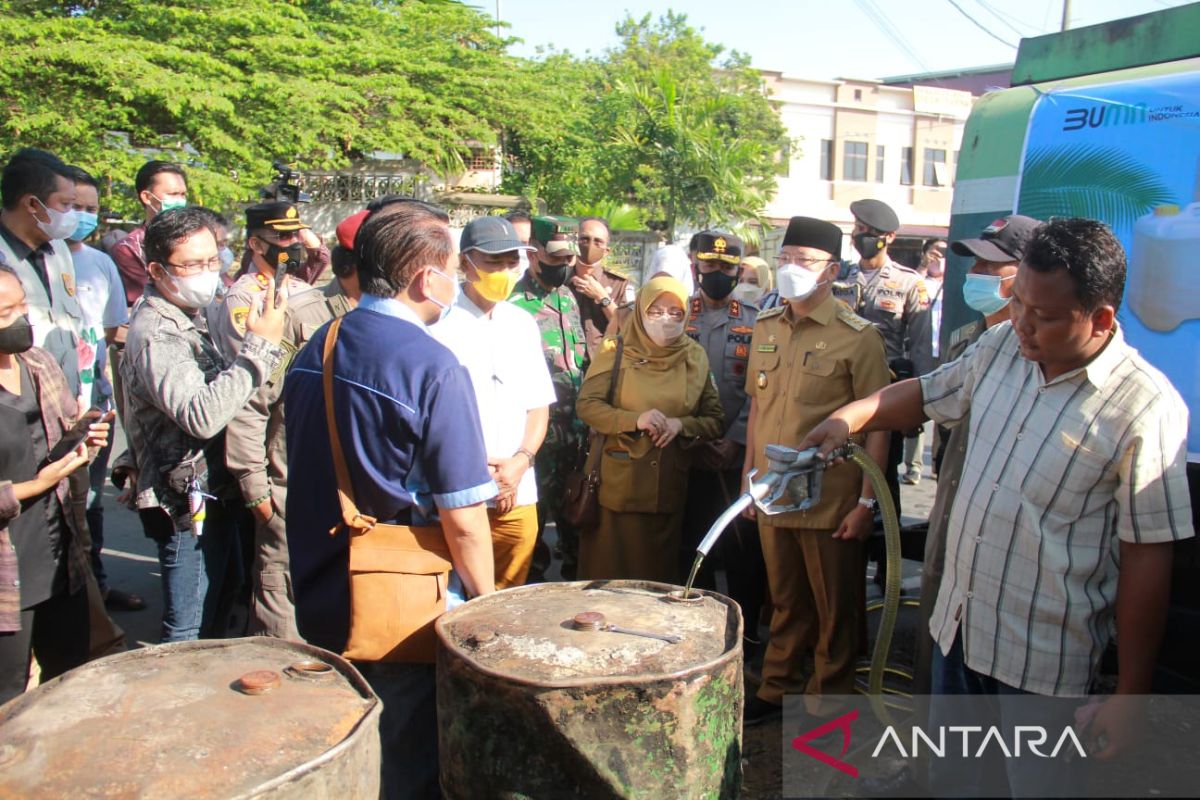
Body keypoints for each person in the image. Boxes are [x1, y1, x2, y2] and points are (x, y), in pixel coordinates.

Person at [801, 217, 1192, 796]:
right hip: (959, 630)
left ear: (1102, 319)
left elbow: (1147, 560)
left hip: (1042, 665)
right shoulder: (1002, 345)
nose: (1023, 325)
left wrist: (1130, 696)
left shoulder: (1144, 407)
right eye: (1020, 303)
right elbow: (931, 393)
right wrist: (851, 417)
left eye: (1045, 315)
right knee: (956, 781)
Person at [284, 199, 496, 799]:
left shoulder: (318, 346)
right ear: (426, 278)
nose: (458, 281)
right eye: (455, 268)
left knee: (343, 747)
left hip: (324, 586)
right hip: (404, 610)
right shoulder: (433, 367)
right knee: (405, 761)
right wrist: (486, 604)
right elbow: (465, 521)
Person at [864, 215, 1041, 798]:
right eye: (979, 263)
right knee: (940, 656)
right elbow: (924, 397)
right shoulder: (974, 343)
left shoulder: (1044, 357)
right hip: (952, 510)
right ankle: (928, 773)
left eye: (996, 267)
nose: (981, 276)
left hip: (1007, 536)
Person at [740, 216, 890, 726]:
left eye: (803, 261)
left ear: (830, 270)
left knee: (835, 608)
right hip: (772, 492)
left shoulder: (857, 336)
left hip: (830, 499)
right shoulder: (766, 326)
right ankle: (779, 687)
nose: (790, 269)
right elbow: (758, 410)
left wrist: (867, 502)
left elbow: (879, 424)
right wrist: (748, 476)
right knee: (783, 600)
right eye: (785, 259)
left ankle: (829, 701)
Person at [121, 206, 287, 643]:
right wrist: (260, 349)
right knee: (189, 626)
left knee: (224, 596)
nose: (207, 273)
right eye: (192, 265)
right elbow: (201, 414)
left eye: (213, 261)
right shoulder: (158, 331)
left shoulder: (192, 312)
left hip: (214, 488)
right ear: (157, 269)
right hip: (186, 500)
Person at [212, 202, 348, 639]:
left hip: (302, 459)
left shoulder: (294, 287)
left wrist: (313, 244)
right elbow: (251, 386)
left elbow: (321, 263)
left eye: (296, 236)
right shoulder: (246, 297)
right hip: (269, 450)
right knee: (274, 579)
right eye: (282, 239)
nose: (292, 246)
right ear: (255, 244)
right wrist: (254, 484)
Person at [0, 261, 111, 703]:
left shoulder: (38, 362)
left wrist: (87, 437)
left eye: (21, 306)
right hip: (9, 566)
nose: (20, 321)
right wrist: (35, 484)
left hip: (59, 551)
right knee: (8, 694)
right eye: (4, 312)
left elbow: (65, 428)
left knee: (68, 680)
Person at [432, 216, 555, 589]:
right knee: (454, 601)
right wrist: (474, 469)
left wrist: (520, 462)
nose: (504, 271)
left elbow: (538, 404)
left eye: (511, 262)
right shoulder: (437, 322)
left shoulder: (521, 322)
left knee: (504, 603)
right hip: (459, 493)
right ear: (465, 262)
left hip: (518, 492)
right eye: (492, 262)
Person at [575, 275, 724, 583]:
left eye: (675, 313)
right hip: (616, 489)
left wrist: (680, 425)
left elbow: (715, 419)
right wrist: (635, 420)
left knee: (656, 582)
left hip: (668, 488)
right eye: (656, 311)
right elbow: (587, 406)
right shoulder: (616, 350)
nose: (665, 320)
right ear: (641, 311)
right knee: (608, 581)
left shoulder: (694, 355)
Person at [679, 231, 766, 642]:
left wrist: (735, 438)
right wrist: (694, 439)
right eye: (709, 266)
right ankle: (691, 633)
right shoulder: (676, 315)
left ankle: (743, 637)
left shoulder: (756, 320)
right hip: (688, 455)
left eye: (726, 268)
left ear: (738, 270)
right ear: (695, 265)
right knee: (690, 548)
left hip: (738, 459)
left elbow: (762, 389)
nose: (717, 274)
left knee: (742, 553)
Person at [64, 166, 141, 612]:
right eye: (72, 207)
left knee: (90, 501)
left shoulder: (100, 263)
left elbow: (114, 334)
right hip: (41, 406)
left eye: (90, 209)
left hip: (94, 402)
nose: (81, 216)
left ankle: (94, 593)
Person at [833, 199, 928, 517]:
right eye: (858, 230)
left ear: (889, 237)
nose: (861, 237)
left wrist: (918, 408)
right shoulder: (839, 278)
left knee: (883, 478)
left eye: (870, 232)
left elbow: (920, 347)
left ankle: (887, 558)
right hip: (839, 392)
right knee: (839, 477)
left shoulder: (908, 282)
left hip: (884, 397)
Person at [509, 215, 589, 581]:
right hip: (537, 443)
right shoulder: (514, 307)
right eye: (555, 258)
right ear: (534, 254)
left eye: (568, 258)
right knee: (531, 541)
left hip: (576, 441)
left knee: (578, 536)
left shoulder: (568, 298)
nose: (563, 265)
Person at [0, 148, 87, 404]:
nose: (73, 215)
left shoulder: (59, 248)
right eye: (66, 204)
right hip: (17, 409)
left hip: (65, 400)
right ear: (32, 204)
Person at [110, 160, 189, 307]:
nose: (179, 201)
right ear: (147, 197)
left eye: (183, 194)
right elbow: (148, 301)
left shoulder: (193, 240)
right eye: (173, 194)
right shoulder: (129, 249)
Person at [902, 237, 948, 485]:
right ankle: (913, 466)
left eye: (944, 252)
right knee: (917, 407)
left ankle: (938, 463)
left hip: (945, 352)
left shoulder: (954, 284)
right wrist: (922, 266)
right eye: (934, 252)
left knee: (943, 408)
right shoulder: (917, 282)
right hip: (921, 352)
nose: (938, 257)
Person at [571, 216, 634, 358]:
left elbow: (629, 328)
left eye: (598, 242)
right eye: (584, 239)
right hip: (566, 368)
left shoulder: (620, 284)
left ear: (606, 251)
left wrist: (603, 298)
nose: (590, 245)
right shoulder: (561, 279)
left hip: (603, 365)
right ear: (574, 242)